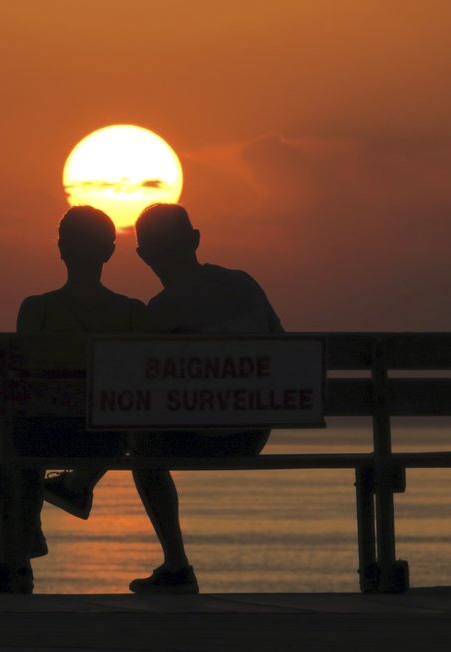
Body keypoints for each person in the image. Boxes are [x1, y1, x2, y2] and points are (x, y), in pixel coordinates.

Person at [128, 203, 283, 594]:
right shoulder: (244, 283)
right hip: (252, 434)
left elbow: (143, 389)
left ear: (144, 256)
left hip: (199, 436)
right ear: (195, 240)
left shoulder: (162, 310)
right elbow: (284, 349)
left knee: (140, 444)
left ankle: (177, 565)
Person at [12, 206, 145, 592]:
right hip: (106, 440)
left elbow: (20, 387)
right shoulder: (134, 312)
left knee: (20, 434)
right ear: (109, 251)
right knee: (122, 414)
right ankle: (80, 482)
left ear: (61, 249)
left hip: (40, 436)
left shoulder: (35, 309)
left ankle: (20, 556)